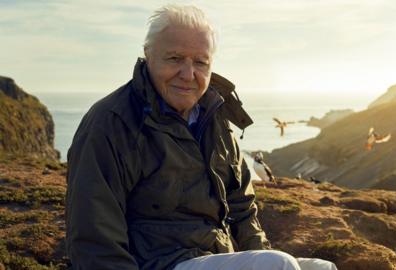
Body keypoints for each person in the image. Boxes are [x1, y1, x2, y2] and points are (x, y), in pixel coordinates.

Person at [65, 4, 337, 270]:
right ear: (148, 55)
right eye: (174, 59)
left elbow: (241, 206)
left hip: (215, 254)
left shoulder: (216, 118)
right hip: (159, 262)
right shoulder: (111, 122)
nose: (188, 74)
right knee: (278, 265)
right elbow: (93, 235)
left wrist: (259, 255)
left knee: (320, 267)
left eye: (200, 62)